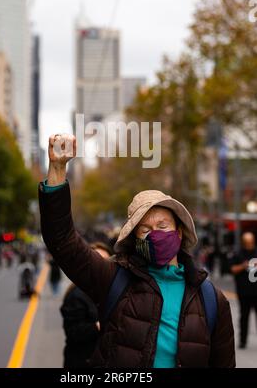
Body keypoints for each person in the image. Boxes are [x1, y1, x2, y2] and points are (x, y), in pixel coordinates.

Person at [38, 133, 235, 368]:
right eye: (145, 230)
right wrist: (58, 170)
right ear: (135, 239)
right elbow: (63, 242)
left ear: (179, 232)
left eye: (162, 226)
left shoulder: (212, 300)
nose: (155, 234)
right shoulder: (113, 279)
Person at [60, 242, 112, 368]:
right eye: (98, 260)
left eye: (106, 261)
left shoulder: (114, 290)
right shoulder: (76, 295)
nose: (102, 265)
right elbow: (72, 332)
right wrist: (98, 326)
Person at [229, 232, 257, 349]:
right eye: (247, 242)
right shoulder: (238, 254)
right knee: (244, 316)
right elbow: (232, 269)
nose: (249, 244)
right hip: (243, 291)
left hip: (256, 291)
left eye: (251, 241)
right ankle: (243, 340)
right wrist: (243, 266)